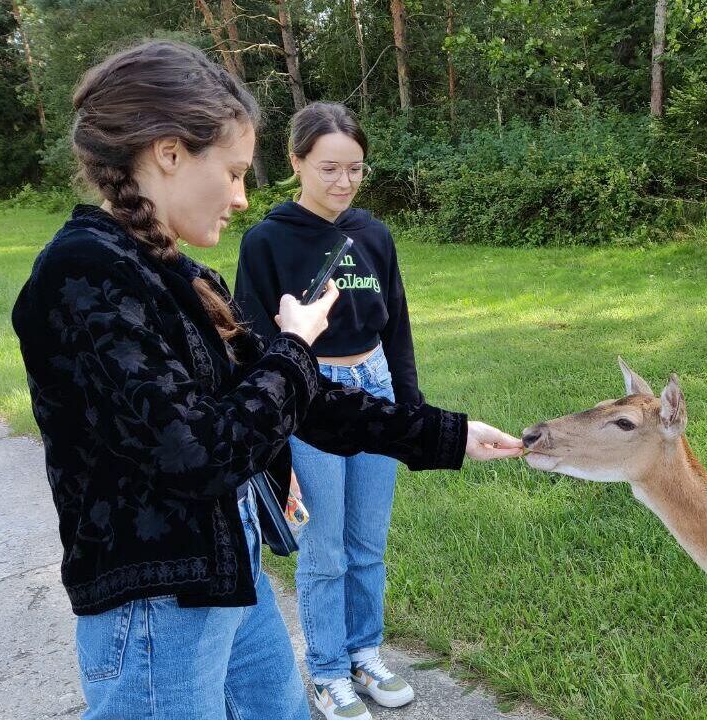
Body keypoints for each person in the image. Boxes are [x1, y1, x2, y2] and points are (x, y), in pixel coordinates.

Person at [10, 39, 522, 720]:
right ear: (169, 153)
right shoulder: (83, 276)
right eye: (233, 172)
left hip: (230, 578)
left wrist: (442, 435)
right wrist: (295, 347)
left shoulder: (178, 272)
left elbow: (297, 402)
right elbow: (197, 452)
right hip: (158, 611)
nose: (242, 197)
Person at [233, 102, 429, 718]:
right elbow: (252, 338)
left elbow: (395, 325)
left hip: (374, 387)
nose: (343, 182)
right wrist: (276, 420)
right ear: (296, 164)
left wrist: (412, 407)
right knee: (325, 548)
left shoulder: (374, 234)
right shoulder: (267, 241)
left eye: (355, 168)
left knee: (368, 541)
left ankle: (363, 652)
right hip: (311, 393)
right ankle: (325, 672)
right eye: (328, 168)